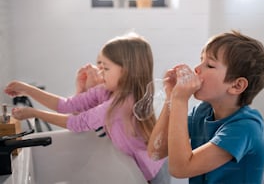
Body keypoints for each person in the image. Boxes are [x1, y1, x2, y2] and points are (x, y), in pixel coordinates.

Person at [4, 32, 169, 184]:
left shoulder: (122, 104)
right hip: (136, 167)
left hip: (152, 172)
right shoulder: (107, 91)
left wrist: (33, 113)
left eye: (105, 68)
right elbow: (66, 105)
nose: (100, 72)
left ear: (125, 72)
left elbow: (77, 123)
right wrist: (27, 89)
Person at [147, 30, 264, 184]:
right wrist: (171, 97)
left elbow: (180, 169)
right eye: (201, 60)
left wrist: (180, 101)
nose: (197, 68)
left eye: (210, 65)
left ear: (237, 85)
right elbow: (155, 152)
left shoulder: (246, 127)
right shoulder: (203, 112)